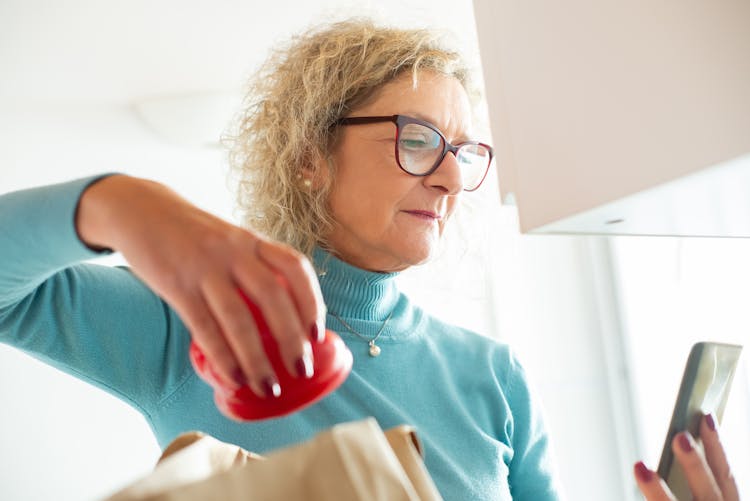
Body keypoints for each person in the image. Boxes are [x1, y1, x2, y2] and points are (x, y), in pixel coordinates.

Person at [0, 18, 739, 501]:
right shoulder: (193, 325)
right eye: (418, 139)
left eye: (465, 152)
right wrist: (121, 203)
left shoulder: (494, 377)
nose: (451, 177)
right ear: (308, 157)